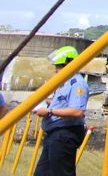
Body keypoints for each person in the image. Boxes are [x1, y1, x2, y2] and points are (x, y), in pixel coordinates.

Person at [33, 45, 89, 176]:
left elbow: (77, 111)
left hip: (64, 135)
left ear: (69, 64)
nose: (56, 71)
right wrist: (43, 102)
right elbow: (61, 104)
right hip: (54, 134)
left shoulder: (77, 84)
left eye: (58, 67)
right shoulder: (64, 83)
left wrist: (50, 112)